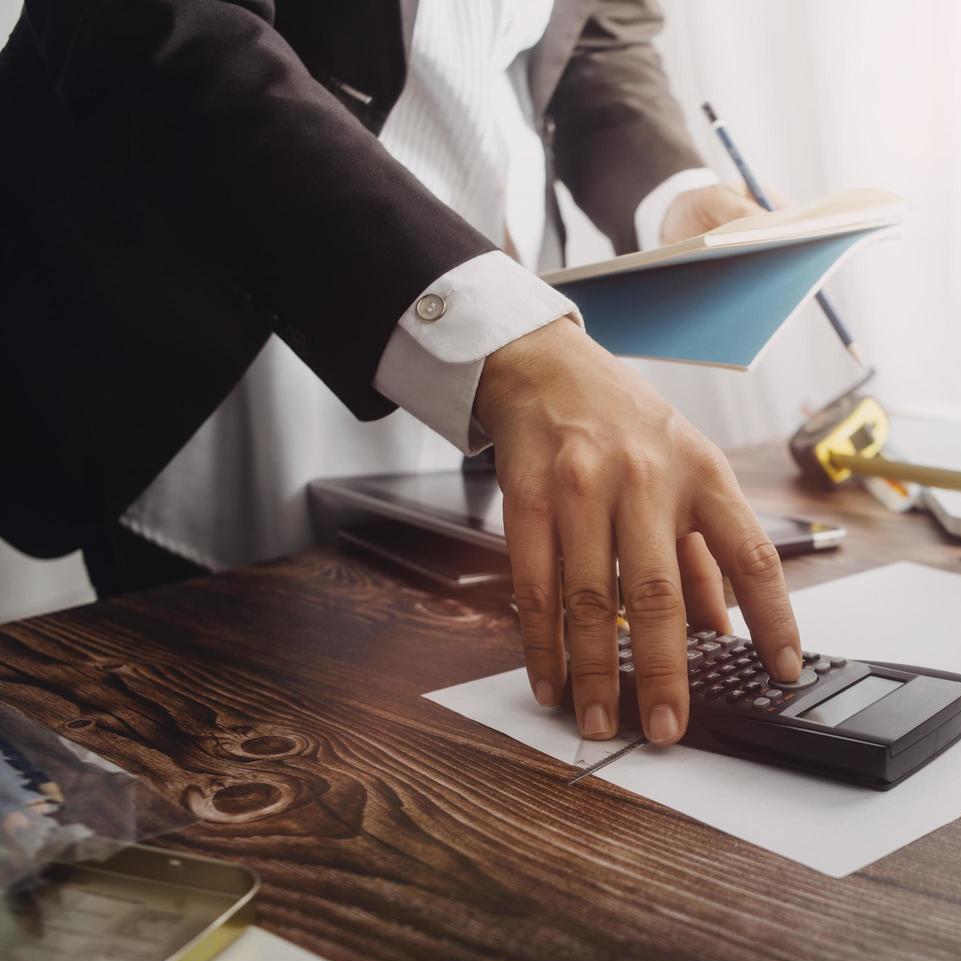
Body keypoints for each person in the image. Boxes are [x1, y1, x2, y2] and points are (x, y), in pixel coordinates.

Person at [0, 0, 803, 748]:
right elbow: (158, 30)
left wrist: (678, 192)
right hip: (224, 340)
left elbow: (591, 27)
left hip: (512, 340)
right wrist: (510, 346)